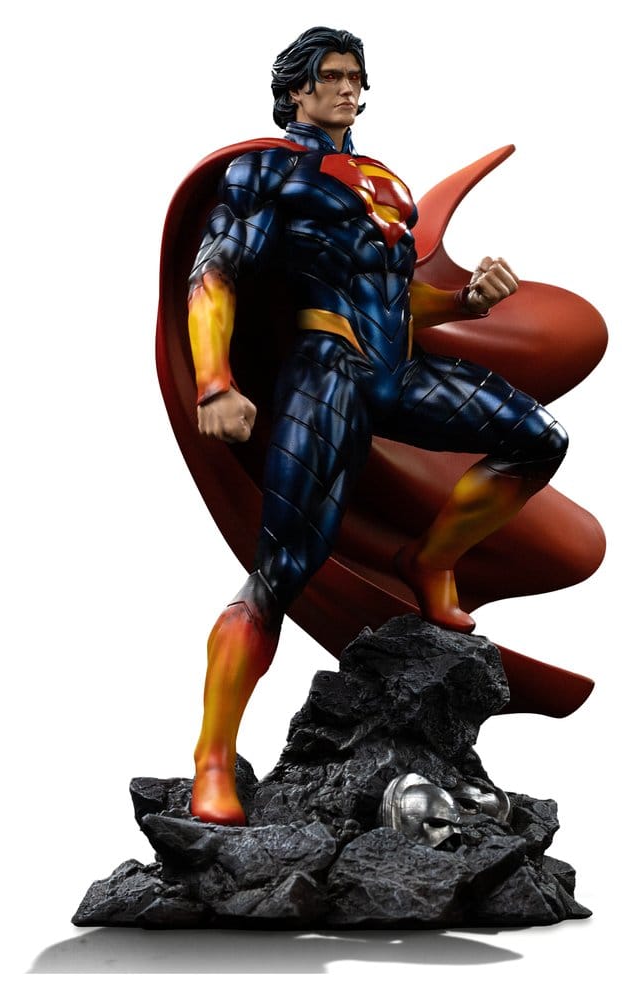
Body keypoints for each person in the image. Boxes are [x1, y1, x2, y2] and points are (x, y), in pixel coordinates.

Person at [184, 26, 568, 825]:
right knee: (279, 572)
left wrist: (466, 301)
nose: (347, 89)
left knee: (537, 438)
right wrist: (215, 380)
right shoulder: (268, 171)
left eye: (355, 77)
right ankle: (212, 760)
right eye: (330, 76)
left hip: (395, 372)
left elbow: (396, 293)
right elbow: (213, 272)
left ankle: (431, 559)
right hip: (325, 373)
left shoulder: (383, 181)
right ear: (295, 89)